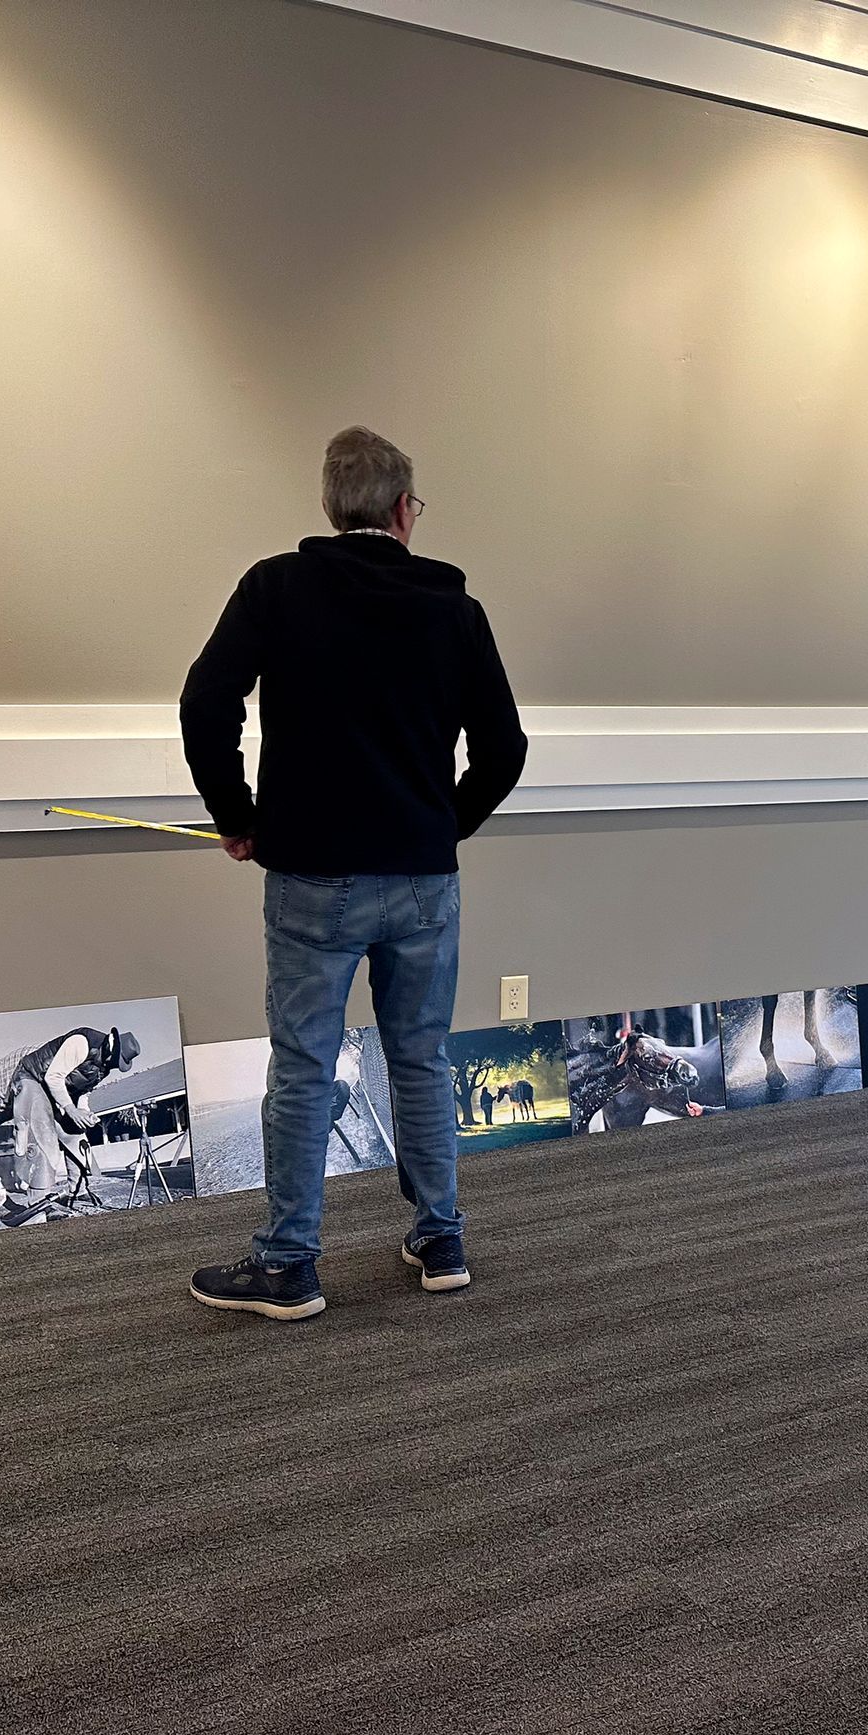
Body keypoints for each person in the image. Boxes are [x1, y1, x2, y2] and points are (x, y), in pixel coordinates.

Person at [180, 427, 528, 1323]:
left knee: (302, 1067)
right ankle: (440, 1237)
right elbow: (504, 749)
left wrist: (238, 816)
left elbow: (205, 699)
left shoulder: (276, 588)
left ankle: (290, 1264)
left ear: (333, 510)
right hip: (423, 879)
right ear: (405, 512)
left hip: (311, 879)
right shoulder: (457, 611)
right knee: (421, 1057)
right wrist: (445, 823)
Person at [0, 1025, 143, 1220]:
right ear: (112, 1048)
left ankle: (76, 1190)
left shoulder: (104, 1068)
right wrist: (70, 1109)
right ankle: (38, 1200)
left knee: (75, 1132)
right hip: (32, 1077)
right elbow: (53, 1077)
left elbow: (84, 1092)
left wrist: (85, 1113)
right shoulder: (82, 1042)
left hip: (57, 1092)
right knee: (41, 1132)